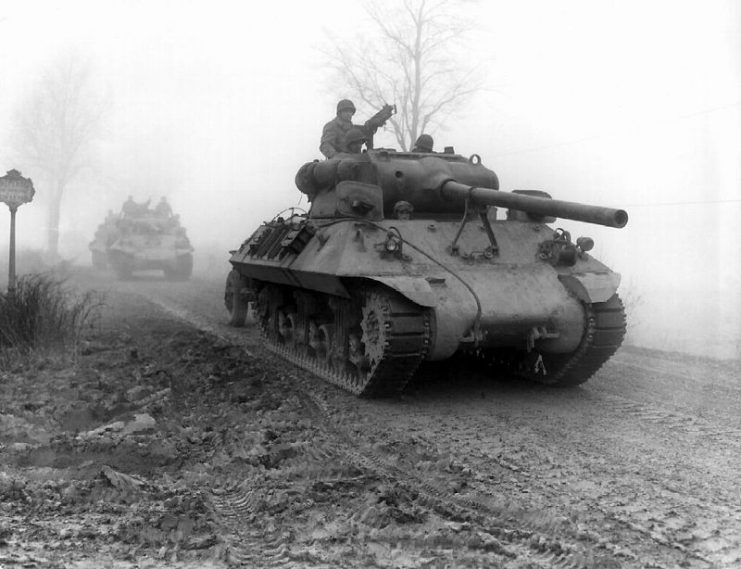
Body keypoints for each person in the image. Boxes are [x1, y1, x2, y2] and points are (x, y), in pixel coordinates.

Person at [319, 99, 394, 159]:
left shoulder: (354, 128)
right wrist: (336, 156)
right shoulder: (332, 126)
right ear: (340, 113)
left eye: (350, 111)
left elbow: (368, 128)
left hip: (355, 161)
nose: (349, 114)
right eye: (346, 111)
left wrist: (381, 117)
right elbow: (325, 145)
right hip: (339, 165)